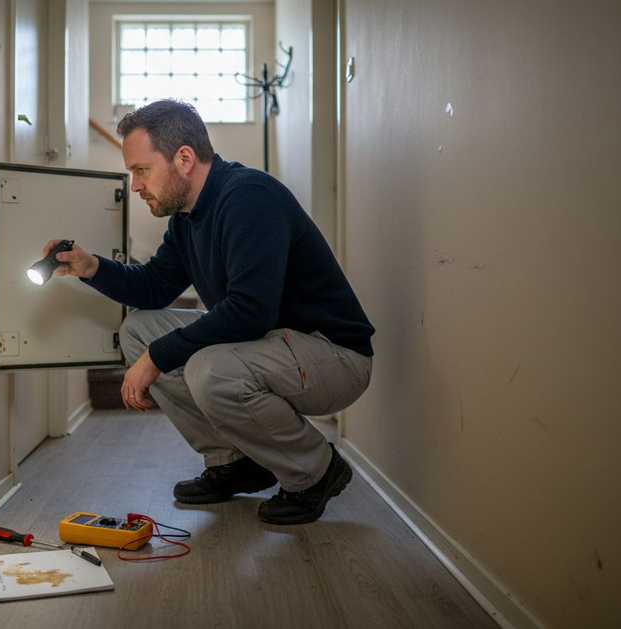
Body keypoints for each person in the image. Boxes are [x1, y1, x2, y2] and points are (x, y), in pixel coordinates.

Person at [42, 99, 374, 525]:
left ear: (183, 158)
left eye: (142, 170)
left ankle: (316, 470)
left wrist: (158, 358)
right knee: (138, 330)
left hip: (334, 356)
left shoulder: (249, 198)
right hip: (272, 345)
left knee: (208, 369)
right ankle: (236, 462)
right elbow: (154, 287)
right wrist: (91, 267)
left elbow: (250, 312)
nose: (136, 185)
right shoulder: (187, 217)